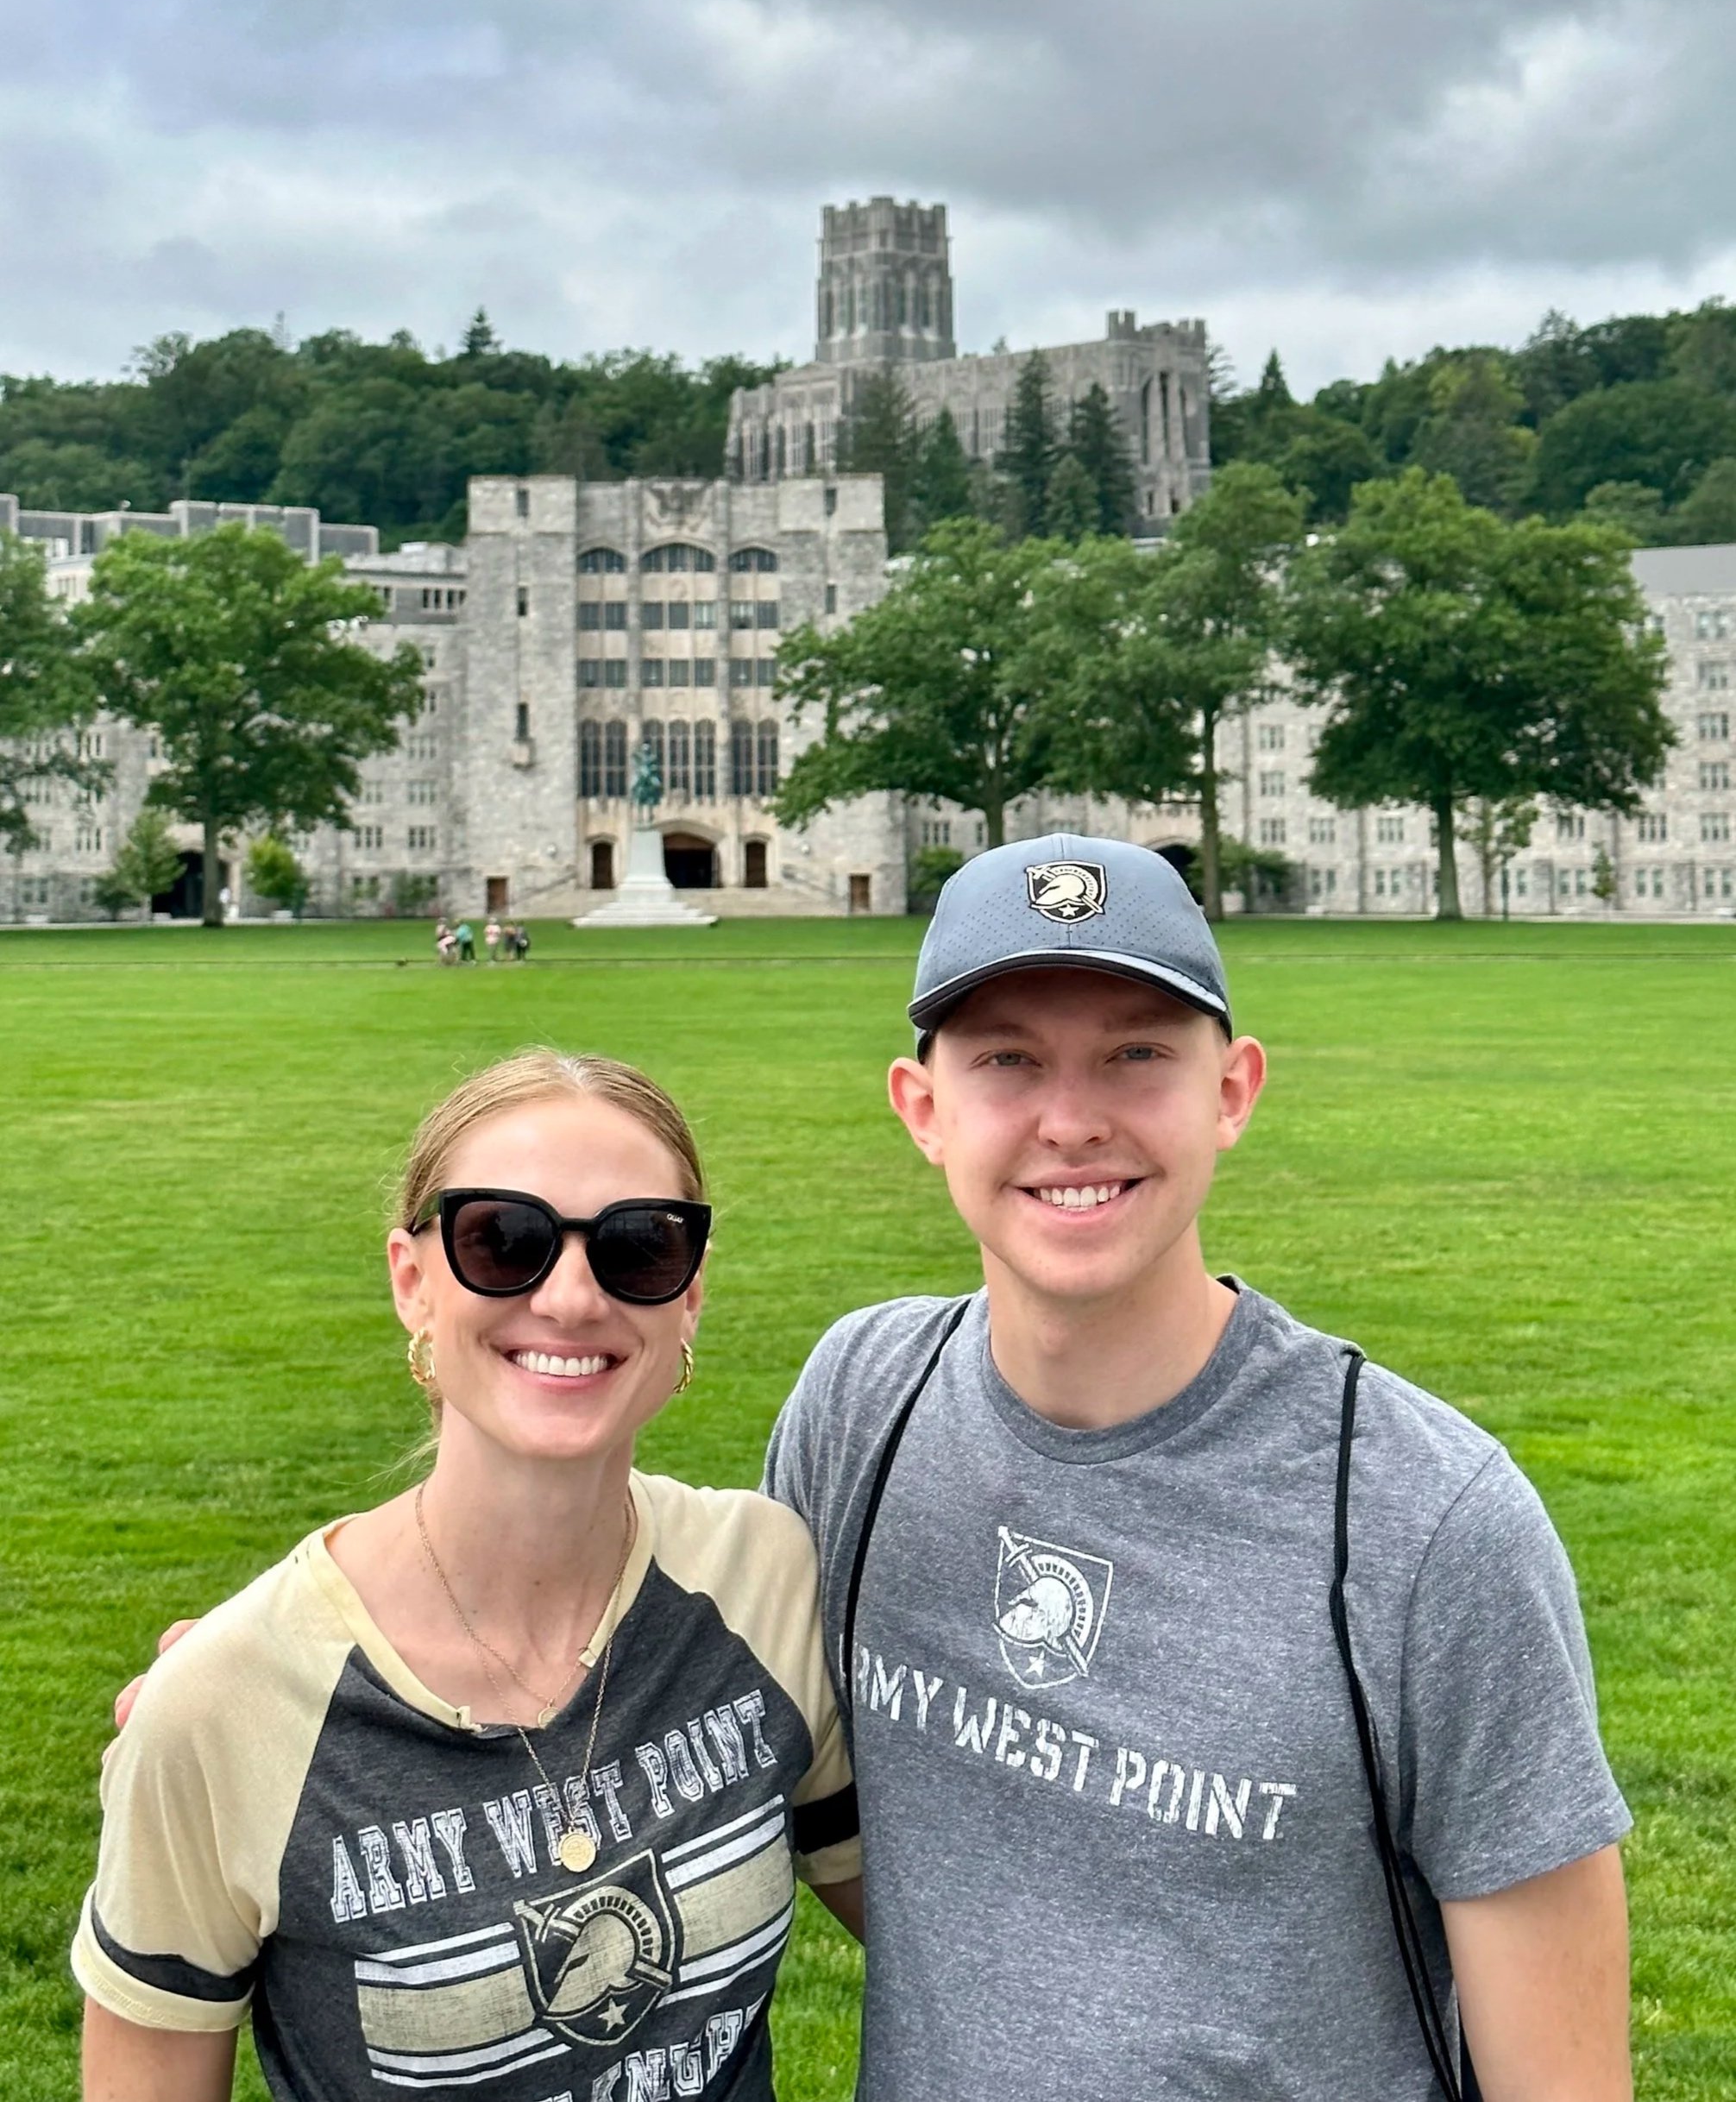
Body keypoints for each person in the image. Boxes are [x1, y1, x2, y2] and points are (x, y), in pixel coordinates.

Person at [764, 834, 1632, 2102]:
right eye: (1008, 1057)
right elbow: (816, 1790)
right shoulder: (861, 1402)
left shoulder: (1427, 1518)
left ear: (1232, 1089)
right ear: (921, 1106)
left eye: (1137, 1052)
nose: (1072, 1119)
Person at [79, 1050, 860, 2102]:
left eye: (639, 1246)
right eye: (504, 1241)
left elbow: (960, 1940)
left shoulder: (762, 1576)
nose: (573, 1297)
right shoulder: (223, 1710)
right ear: (412, 1280)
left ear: (689, 1298)